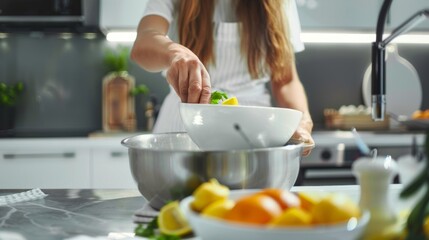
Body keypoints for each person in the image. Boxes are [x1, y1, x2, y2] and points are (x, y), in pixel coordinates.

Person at [131, 0, 314, 155]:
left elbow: (286, 81)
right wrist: (174, 53)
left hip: (254, 132)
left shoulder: (280, 3)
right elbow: (144, 41)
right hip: (185, 124)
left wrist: (303, 122)